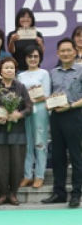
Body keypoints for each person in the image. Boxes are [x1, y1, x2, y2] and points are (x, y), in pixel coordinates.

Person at [41, 38, 82, 208]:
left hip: (74, 115)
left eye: (68, 50)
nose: (65, 53)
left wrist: (70, 105)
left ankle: (76, 194)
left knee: (76, 156)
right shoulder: (52, 73)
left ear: (75, 51)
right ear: (57, 53)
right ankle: (59, 193)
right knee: (58, 157)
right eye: (62, 51)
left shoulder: (81, 71)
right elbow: (48, 95)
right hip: (56, 117)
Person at [0, 57, 32, 206]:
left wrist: (19, 114)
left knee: (17, 164)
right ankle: (2, 194)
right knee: (0, 165)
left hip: (17, 132)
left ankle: (13, 193)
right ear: (0, 71)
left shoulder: (21, 87)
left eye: (12, 68)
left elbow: (29, 107)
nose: (9, 70)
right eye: (6, 68)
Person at [17, 45, 51, 189]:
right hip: (25, 113)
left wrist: (30, 100)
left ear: (40, 58)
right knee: (27, 144)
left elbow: (46, 95)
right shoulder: (20, 75)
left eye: (35, 56)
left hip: (40, 112)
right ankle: (27, 175)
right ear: (25, 58)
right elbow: (19, 96)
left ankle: (39, 175)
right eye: (30, 56)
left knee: (40, 143)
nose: (32, 59)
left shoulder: (44, 73)